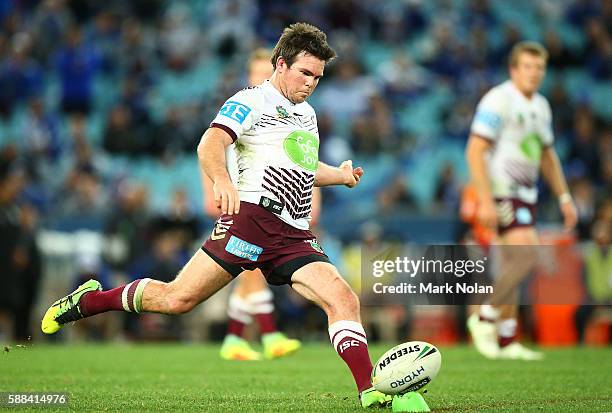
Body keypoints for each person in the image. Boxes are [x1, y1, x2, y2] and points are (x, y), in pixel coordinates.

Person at [41, 23, 427, 410]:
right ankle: (92, 301)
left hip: (292, 232)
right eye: (305, 73)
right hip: (249, 221)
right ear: (280, 64)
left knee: (342, 297)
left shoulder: (306, 114)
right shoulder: (251, 100)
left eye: (318, 77)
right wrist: (221, 179)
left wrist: (340, 176)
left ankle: (370, 391)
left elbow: (303, 167)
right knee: (177, 299)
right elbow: (210, 142)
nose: (311, 83)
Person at [465, 41, 578, 360]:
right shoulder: (499, 100)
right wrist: (485, 200)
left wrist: (565, 196)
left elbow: (546, 154)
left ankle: (506, 338)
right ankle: (484, 316)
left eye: (539, 67)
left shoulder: (541, 105)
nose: (534, 73)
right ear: (514, 69)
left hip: (526, 194)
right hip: (501, 191)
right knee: (527, 254)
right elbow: (475, 150)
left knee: (513, 261)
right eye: (527, 66)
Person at [201, 48, 307, 361]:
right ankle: (269, 335)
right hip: (239, 205)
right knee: (248, 272)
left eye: (268, 71)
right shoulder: (244, 108)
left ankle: (235, 339)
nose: (264, 78)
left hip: (262, 208)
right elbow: (211, 146)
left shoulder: (285, 116)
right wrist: (216, 190)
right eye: (258, 72)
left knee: (250, 273)